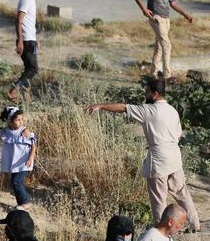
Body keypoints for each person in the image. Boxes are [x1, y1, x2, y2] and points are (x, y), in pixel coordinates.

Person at [86, 77, 201, 232]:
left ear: (154, 94)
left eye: (147, 92)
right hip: (175, 156)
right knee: (182, 193)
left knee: (159, 200)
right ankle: (195, 225)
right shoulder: (172, 110)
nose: (145, 95)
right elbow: (179, 135)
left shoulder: (149, 111)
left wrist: (100, 106)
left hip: (159, 160)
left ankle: (163, 232)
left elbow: (123, 107)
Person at [133, 0, 193, 81]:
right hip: (155, 18)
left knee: (159, 47)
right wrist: (144, 9)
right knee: (167, 44)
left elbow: (173, 4)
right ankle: (168, 75)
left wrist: (185, 14)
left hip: (166, 19)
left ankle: (153, 73)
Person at [0, 106, 36, 210]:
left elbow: (33, 145)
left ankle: (26, 202)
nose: (21, 122)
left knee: (16, 181)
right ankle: (21, 204)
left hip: (23, 161)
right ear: (10, 121)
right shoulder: (7, 131)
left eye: (22, 119)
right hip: (14, 162)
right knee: (14, 182)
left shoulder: (24, 131)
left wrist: (30, 158)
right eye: (18, 120)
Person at [7, 0, 43, 102]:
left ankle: (26, 99)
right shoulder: (26, 0)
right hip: (26, 41)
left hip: (30, 40)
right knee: (33, 69)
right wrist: (20, 41)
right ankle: (13, 90)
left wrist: (35, 39)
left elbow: (28, 23)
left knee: (29, 69)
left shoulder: (31, 1)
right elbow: (18, 20)